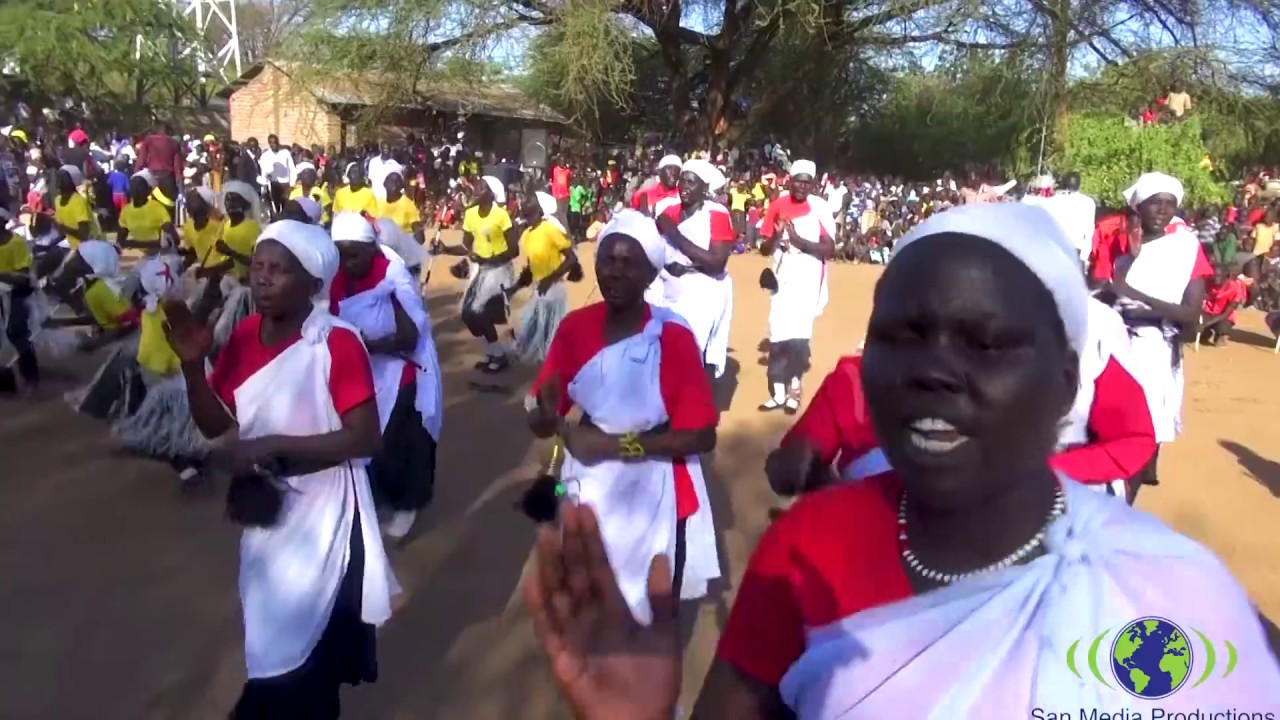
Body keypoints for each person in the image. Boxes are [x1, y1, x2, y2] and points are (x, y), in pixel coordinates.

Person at [522, 202, 1280, 719]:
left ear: (1066, 382)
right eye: (902, 335)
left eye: (984, 342)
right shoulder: (807, 551)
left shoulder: (1177, 603)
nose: (933, 370)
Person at [164, 219, 398, 718]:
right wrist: (192, 366)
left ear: (314, 284)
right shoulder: (246, 334)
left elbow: (365, 437)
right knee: (274, 636)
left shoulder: (337, 343)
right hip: (267, 514)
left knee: (297, 658)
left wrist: (273, 443)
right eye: (259, 267)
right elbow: (213, 424)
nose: (262, 278)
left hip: (322, 513)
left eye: (278, 270)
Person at [525, 208, 721, 624]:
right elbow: (543, 413)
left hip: (651, 485)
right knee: (583, 589)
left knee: (643, 603)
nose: (614, 272)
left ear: (651, 275)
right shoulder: (575, 329)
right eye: (607, 261)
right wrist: (543, 414)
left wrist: (616, 446)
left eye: (628, 263)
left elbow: (702, 436)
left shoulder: (673, 336)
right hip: (585, 482)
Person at [330, 212, 443, 541]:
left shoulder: (392, 276)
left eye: (354, 255)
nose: (347, 263)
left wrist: (366, 345)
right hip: (362, 369)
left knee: (400, 438)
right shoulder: (335, 277)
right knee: (365, 436)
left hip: (402, 367)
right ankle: (379, 497)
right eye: (341, 254)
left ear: (371, 250)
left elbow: (409, 336)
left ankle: (408, 503)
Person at [1104, 172, 1212, 493]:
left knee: (1141, 431)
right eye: (1155, 203)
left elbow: (1192, 315)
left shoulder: (1186, 249)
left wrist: (1141, 300)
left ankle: (1125, 503)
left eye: (1170, 204)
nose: (1163, 211)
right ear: (1139, 207)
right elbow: (1108, 292)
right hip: (1113, 345)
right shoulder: (1121, 248)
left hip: (1155, 350)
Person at [757, 159, 835, 414]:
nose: (801, 185)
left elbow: (829, 248)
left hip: (808, 276)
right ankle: (778, 392)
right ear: (789, 180)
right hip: (783, 275)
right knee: (777, 333)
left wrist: (798, 240)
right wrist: (779, 235)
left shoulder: (819, 208)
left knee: (799, 338)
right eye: (797, 180)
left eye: (806, 181)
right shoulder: (778, 205)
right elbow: (763, 248)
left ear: (812, 184)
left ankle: (794, 388)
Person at [647, 159, 736, 378]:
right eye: (682, 181)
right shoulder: (668, 212)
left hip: (705, 289)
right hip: (671, 287)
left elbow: (717, 262)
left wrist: (675, 235)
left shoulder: (716, 214)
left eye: (691, 182)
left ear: (704, 188)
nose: (684, 187)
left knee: (693, 351)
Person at [433, 176, 519, 373]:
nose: (476, 189)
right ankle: (493, 351)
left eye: (481, 187)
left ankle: (498, 355)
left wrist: (489, 259)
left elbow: (514, 250)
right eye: (476, 185)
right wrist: (445, 249)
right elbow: (466, 246)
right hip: (481, 270)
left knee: (479, 311)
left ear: (490, 193)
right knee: (467, 315)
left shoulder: (500, 215)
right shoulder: (470, 215)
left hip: (500, 269)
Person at [507, 191, 577, 364]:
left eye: (530, 212)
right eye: (525, 214)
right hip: (539, 288)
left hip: (553, 290)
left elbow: (571, 258)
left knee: (549, 333)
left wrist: (549, 279)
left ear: (540, 211)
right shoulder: (527, 235)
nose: (527, 216)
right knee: (534, 326)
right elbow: (531, 267)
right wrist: (515, 288)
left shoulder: (550, 230)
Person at [117, 170, 169, 253]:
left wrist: (134, 244)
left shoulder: (157, 208)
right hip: (138, 257)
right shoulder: (125, 211)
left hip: (159, 256)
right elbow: (120, 241)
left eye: (139, 186)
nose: (135, 189)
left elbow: (171, 241)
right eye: (133, 185)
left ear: (148, 190)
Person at [1199, 264, 1247, 346]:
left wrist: (1205, 324)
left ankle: (1220, 335)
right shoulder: (1207, 283)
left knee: (1222, 327)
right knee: (1194, 323)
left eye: (1218, 276)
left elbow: (1226, 313)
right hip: (1208, 312)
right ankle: (1206, 333)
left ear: (1226, 276)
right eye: (1213, 275)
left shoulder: (1234, 288)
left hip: (1224, 316)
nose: (1215, 278)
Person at [52, 165, 98, 249]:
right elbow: (61, 229)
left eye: (64, 177)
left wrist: (65, 229)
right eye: (58, 178)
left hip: (88, 247)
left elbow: (84, 234)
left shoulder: (78, 201)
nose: (60, 181)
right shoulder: (57, 200)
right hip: (71, 246)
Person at [258, 135, 295, 217]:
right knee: (276, 204)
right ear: (269, 143)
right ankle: (278, 219)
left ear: (278, 142)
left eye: (275, 142)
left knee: (285, 204)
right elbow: (263, 171)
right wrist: (264, 183)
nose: (273, 144)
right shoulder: (265, 156)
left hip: (285, 183)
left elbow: (292, 168)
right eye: (271, 143)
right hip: (274, 184)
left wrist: (292, 183)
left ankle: (285, 219)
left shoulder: (285, 153)